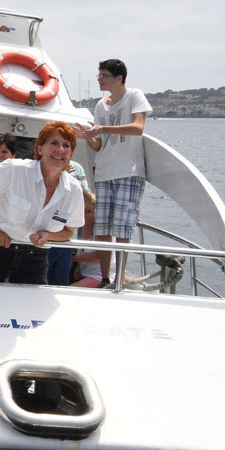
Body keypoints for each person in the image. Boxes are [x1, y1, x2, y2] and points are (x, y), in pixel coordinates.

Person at [0, 121, 85, 284]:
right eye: (54, 143)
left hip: (35, 260)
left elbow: (68, 231)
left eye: (66, 145)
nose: (60, 150)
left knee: (31, 309)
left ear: (71, 154)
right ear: (39, 148)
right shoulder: (16, 169)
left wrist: (49, 236)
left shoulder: (73, 190)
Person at [75, 58, 152, 285]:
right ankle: (106, 278)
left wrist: (102, 128)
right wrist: (88, 136)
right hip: (105, 172)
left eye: (103, 76)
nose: (99, 79)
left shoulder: (134, 96)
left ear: (118, 78)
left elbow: (138, 128)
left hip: (128, 171)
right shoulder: (101, 105)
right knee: (103, 229)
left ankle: (119, 278)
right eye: (99, 75)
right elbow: (99, 144)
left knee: (122, 229)